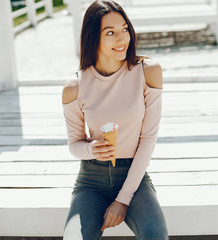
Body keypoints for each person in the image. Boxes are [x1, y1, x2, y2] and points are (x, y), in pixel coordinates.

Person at [61, 1, 168, 239]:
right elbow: (74, 145)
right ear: (93, 37)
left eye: (125, 29)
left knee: (155, 236)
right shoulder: (75, 87)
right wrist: (91, 150)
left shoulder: (147, 71)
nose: (122, 39)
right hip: (91, 181)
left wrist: (123, 199)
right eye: (110, 33)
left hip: (135, 177)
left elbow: (148, 139)